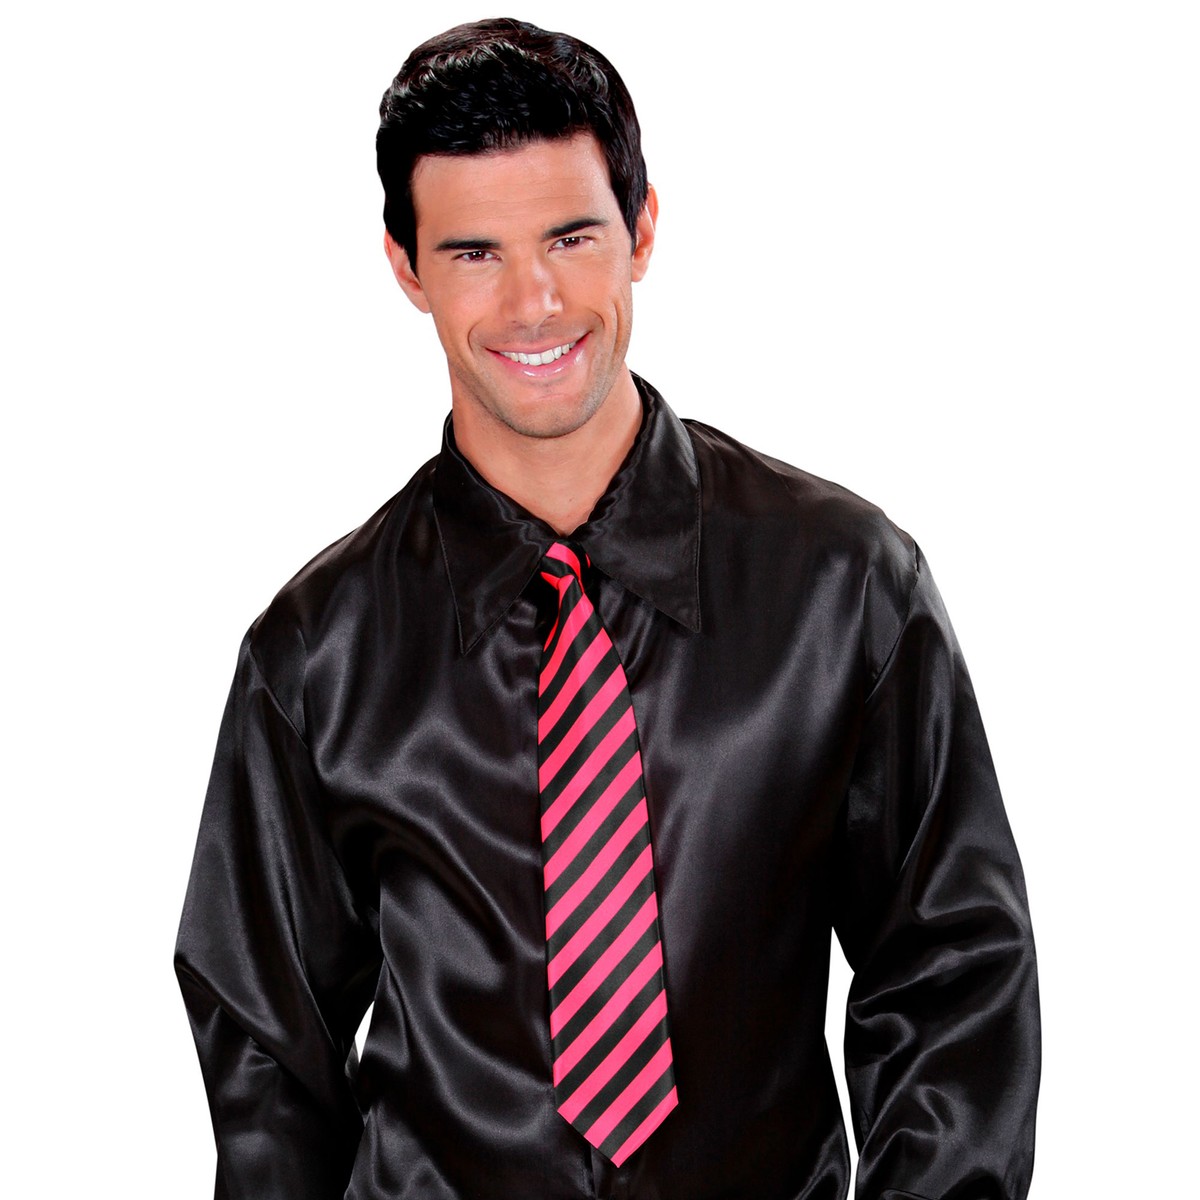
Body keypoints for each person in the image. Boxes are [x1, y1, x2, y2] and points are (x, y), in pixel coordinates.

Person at [176, 17, 1040, 1200]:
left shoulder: (843, 590)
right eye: (474, 252)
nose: (533, 301)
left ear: (642, 229)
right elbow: (269, 1066)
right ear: (405, 267)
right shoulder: (317, 654)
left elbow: (953, 978)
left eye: (571, 237)